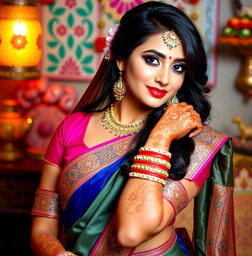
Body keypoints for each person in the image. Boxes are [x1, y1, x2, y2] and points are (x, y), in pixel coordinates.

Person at [30, 2, 236, 255]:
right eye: (152, 60)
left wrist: (161, 135)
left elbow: (131, 232)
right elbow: (42, 229)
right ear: (120, 60)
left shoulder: (192, 141)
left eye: (178, 67)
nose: (164, 78)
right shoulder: (71, 128)